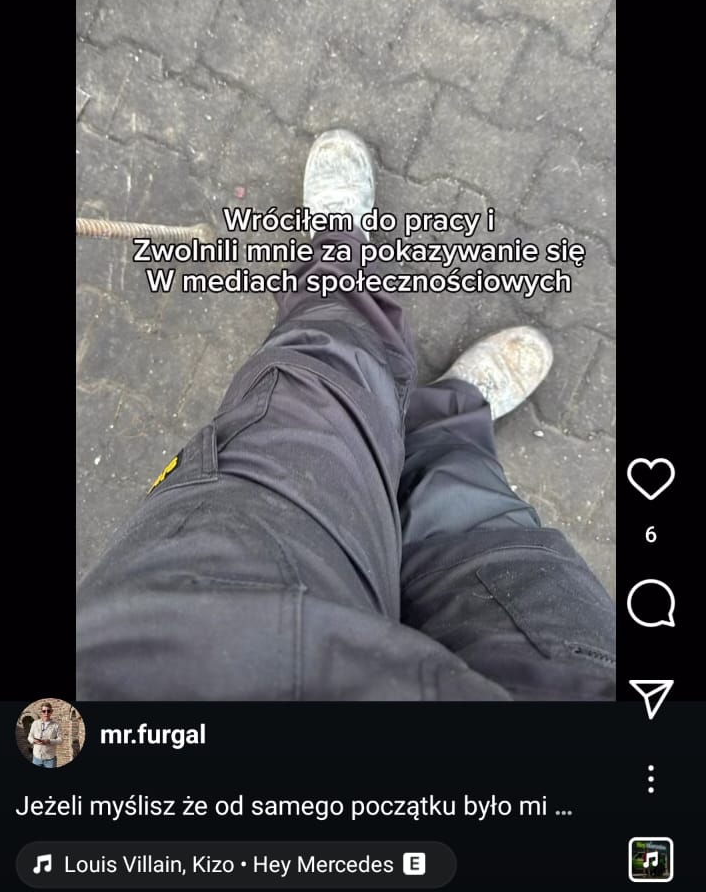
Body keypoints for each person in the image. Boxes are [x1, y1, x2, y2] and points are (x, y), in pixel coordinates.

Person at [77, 130, 615, 702]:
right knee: (483, 531)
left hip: (174, 643)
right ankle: (449, 425)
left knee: (315, 395)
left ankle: (338, 253)